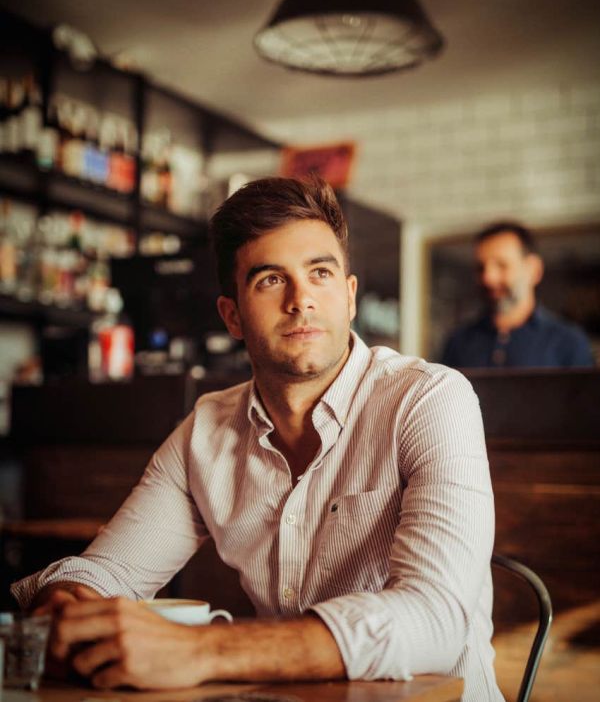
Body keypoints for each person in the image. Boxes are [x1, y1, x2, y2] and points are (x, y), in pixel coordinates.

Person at [12, 177, 503, 702]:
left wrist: (199, 651)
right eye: (271, 280)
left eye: (320, 273)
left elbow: (434, 621)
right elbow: (111, 571)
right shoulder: (205, 432)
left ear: (350, 296)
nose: (301, 300)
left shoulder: (429, 400)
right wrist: (68, 600)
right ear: (232, 317)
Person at [441, 221, 594, 369]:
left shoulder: (569, 342)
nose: (488, 278)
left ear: (534, 270)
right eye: (481, 267)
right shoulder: (457, 343)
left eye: (502, 265)